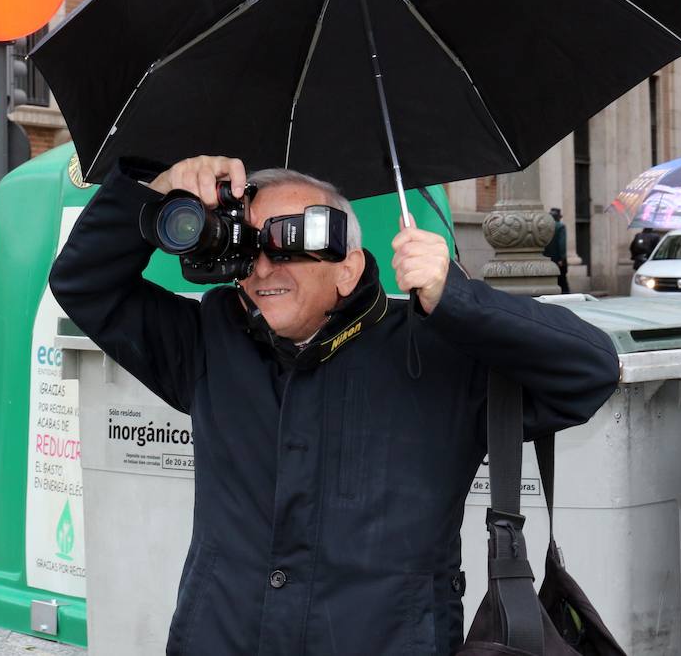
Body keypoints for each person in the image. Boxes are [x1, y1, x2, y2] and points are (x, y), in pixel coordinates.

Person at [49, 155, 620, 656]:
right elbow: (84, 284)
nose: (264, 268)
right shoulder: (210, 341)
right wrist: (151, 190)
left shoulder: (440, 354)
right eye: (249, 247)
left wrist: (458, 299)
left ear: (348, 267)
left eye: (289, 242)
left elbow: (590, 371)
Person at [543, 206, 569, 293]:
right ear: (559, 217)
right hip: (557, 259)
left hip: (545, 258)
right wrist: (562, 258)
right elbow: (562, 243)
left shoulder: (544, 227)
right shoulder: (560, 227)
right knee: (562, 281)